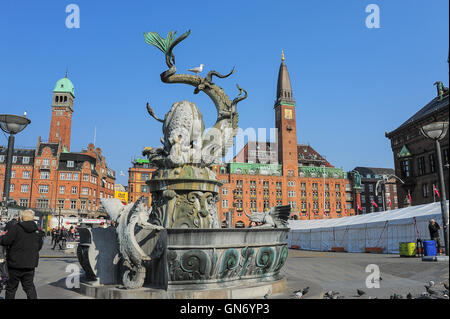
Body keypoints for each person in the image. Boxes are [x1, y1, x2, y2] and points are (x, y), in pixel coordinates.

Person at [0, 209, 44, 299]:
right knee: (29, 287)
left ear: (22, 218)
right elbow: (39, 246)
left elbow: (5, 241)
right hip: (30, 264)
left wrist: (2, 237)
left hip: (15, 264)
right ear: (32, 218)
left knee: (11, 288)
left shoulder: (16, 228)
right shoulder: (37, 231)